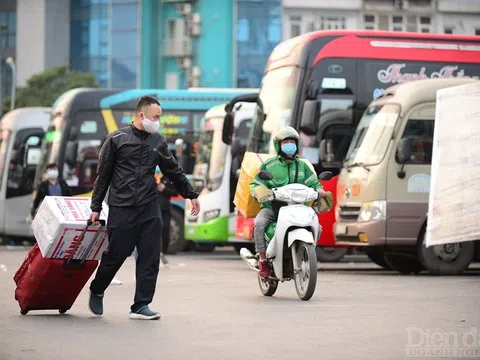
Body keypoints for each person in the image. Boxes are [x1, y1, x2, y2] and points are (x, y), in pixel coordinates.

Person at [87, 95, 200, 320]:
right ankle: (97, 289)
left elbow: (173, 170)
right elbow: (103, 176)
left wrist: (191, 194)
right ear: (141, 115)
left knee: (150, 257)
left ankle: (140, 305)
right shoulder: (116, 139)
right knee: (116, 255)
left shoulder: (157, 141)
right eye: (155, 117)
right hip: (122, 207)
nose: (158, 121)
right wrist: (96, 206)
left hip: (149, 207)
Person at [249, 126, 327, 278]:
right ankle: (263, 260)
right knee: (259, 223)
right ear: (279, 145)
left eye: (292, 142)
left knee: (318, 227)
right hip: (273, 207)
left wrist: (320, 190)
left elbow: (314, 183)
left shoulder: (303, 165)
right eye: (286, 142)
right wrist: (263, 192)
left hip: (297, 207)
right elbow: (256, 184)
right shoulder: (269, 165)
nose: (289, 145)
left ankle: (304, 254)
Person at [132, 167, 178, 273]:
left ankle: (162, 253)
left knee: (165, 230)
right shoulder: (148, 176)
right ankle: (153, 255)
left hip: (165, 209)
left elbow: (175, 192)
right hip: (151, 209)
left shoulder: (168, 178)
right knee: (151, 233)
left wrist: (164, 189)